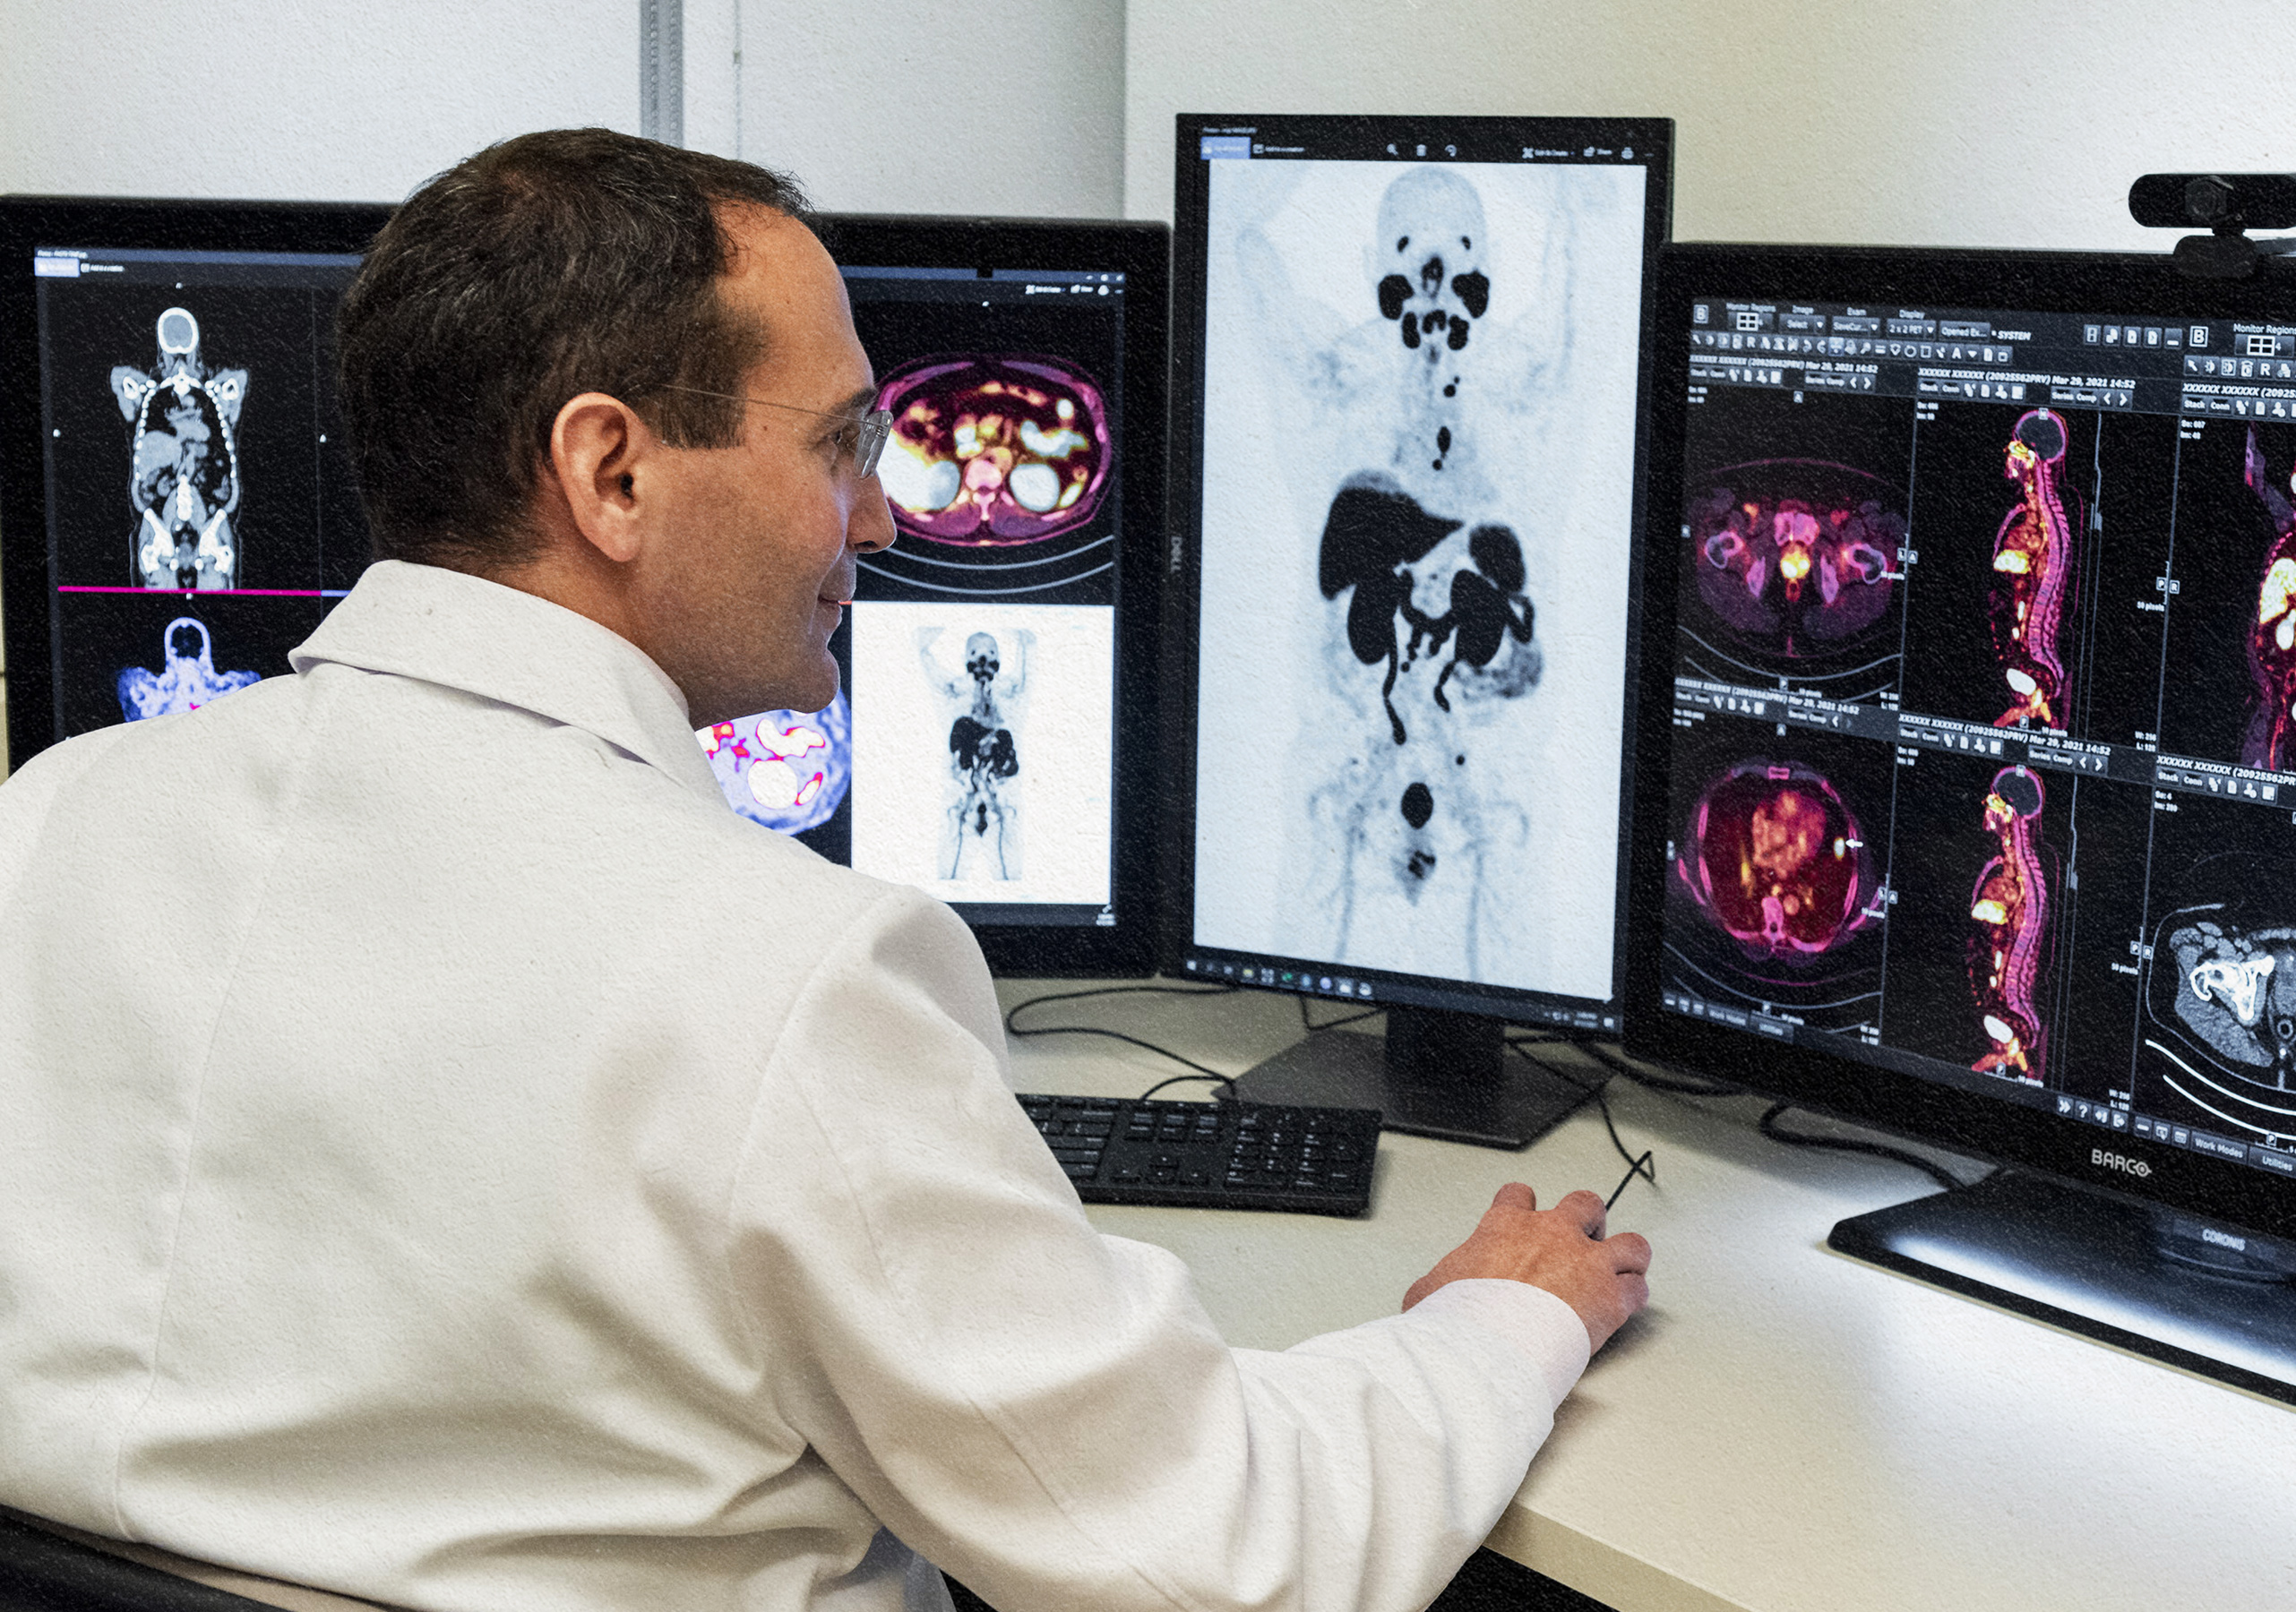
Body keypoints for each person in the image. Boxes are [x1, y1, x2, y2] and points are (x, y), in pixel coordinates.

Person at [0, 128, 1650, 1612]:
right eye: (842, 445)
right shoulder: (781, 980)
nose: (875, 517)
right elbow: (1214, 1556)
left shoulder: (53, 820)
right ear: (612, 473)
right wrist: (1503, 1321)